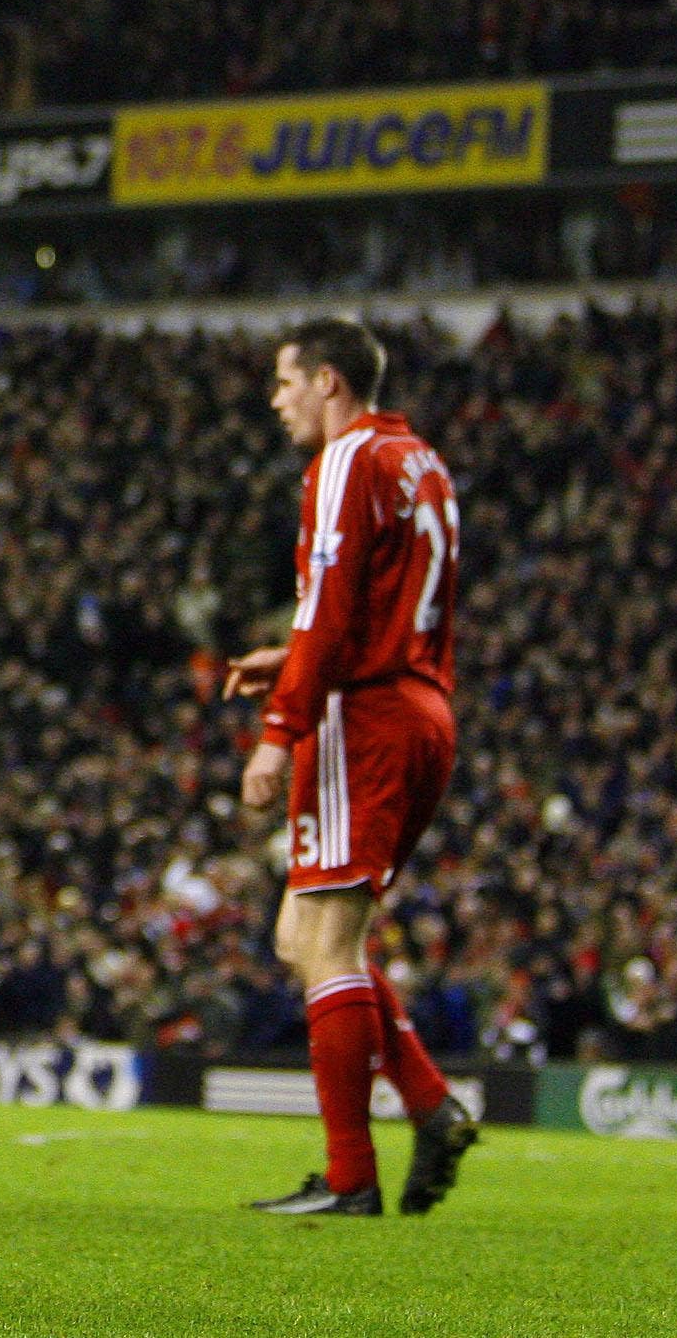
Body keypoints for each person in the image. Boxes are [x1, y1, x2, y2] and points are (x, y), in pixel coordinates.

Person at [225, 318, 479, 1216]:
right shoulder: (422, 461)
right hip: (421, 708)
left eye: (283, 380)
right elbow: (371, 602)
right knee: (304, 935)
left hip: (361, 715)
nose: (275, 399)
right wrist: (283, 655)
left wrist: (279, 724)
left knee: (323, 941)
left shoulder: (344, 460)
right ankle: (430, 1103)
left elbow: (333, 608)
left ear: (326, 379)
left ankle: (348, 1177)